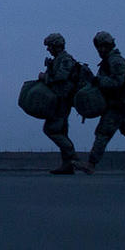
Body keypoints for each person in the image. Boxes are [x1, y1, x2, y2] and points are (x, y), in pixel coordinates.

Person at [80, 31, 125, 175]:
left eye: (102, 46)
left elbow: (117, 82)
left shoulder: (115, 61)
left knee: (103, 133)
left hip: (116, 104)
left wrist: (98, 81)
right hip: (115, 103)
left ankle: (91, 164)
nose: (100, 50)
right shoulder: (110, 60)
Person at [37, 32, 84, 174]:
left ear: (56, 46)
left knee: (51, 130)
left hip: (62, 100)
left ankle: (74, 158)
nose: (48, 49)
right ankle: (67, 165)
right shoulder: (58, 59)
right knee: (62, 131)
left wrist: (44, 77)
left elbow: (61, 77)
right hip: (58, 100)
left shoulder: (65, 60)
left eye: (49, 46)